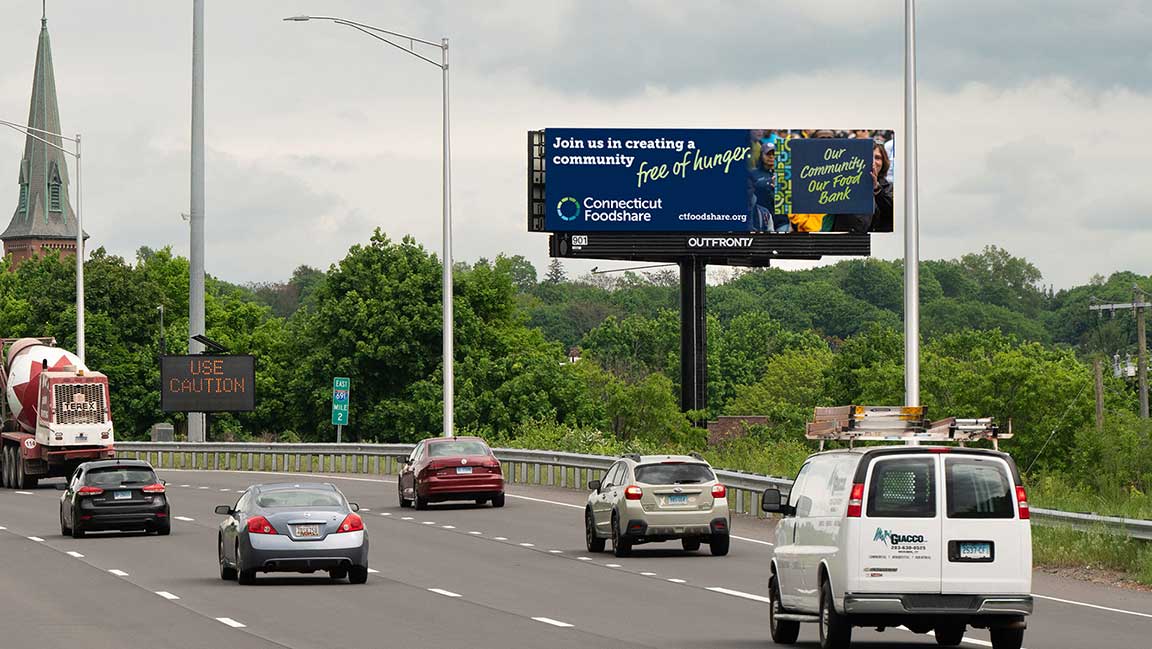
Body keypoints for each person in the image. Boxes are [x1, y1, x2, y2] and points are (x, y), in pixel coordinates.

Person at [869, 141, 894, 232]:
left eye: (878, 158)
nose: (873, 162)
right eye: (869, 157)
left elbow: (891, 213)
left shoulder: (889, 188)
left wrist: (876, 188)